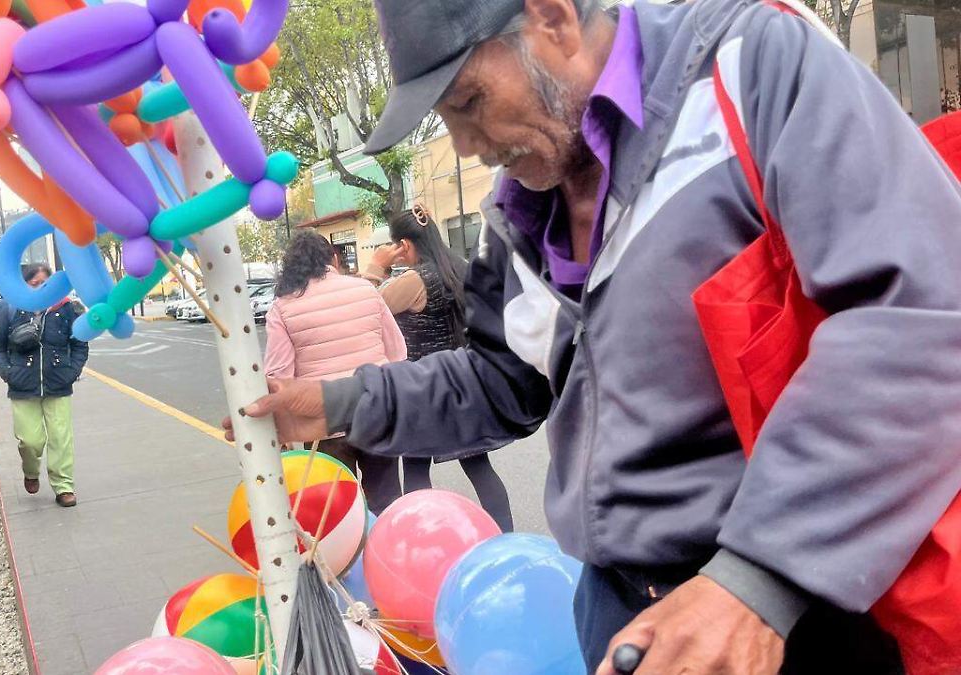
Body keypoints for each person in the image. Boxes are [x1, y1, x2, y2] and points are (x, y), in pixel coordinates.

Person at [224, 0, 961, 672]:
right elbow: (498, 380)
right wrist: (336, 400)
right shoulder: (520, 213)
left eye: (470, 103)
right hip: (618, 606)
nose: (470, 145)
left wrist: (758, 579)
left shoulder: (749, 69)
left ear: (552, 19)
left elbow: (916, 310)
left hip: (782, 611)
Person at [364, 206, 514, 533]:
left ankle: (426, 543)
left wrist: (377, 267)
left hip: (423, 389)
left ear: (404, 244)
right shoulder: (461, 268)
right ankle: (506, 539)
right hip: (465, 383)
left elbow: (367, 307)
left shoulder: (414, 280)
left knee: (416, 472)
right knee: (480, 468)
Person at [264, 232, 408, 513]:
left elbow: (278, 376)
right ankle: (387, 552)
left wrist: (282, 433)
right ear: (333, 258)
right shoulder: (365, 290)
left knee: (337, 511)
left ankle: (348, 555)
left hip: (322, 423)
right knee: (387, 501)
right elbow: (397, 353)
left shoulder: (282, 308)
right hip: (376, 412)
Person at [0, 264, 89, 508]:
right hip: (22, 386)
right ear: (24, 285)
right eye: (34, 283)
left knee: (61, 439)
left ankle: (63, 486)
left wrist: (72, 371)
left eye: (45, 283)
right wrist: (8, 373)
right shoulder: (11, 309)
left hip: (58, 384)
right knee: (30, 441)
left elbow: (80, 344)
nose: (40, 288)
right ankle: (31, 471)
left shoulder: (67, 308)